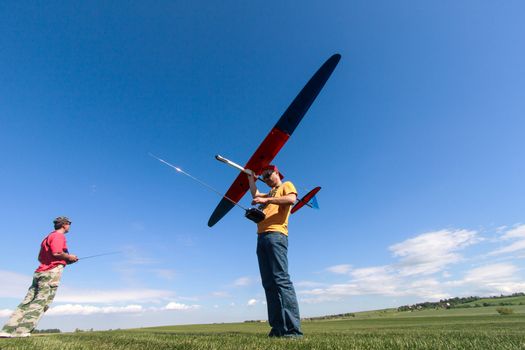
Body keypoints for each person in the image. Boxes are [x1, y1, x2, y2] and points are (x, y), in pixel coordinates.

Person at [247, 165, 303, 338]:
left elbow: (291, 200)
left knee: (281, 280)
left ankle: (293, 331)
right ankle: (278, 329)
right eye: (263, 176)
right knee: (268, 284)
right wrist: (250, 178)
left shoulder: (286, 185)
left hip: (276, 235)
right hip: (261, 237)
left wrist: (266, 201)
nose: (266, 178)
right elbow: (256, 195)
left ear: (276, 173)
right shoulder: (269, 193)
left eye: (268, 174)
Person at [0, 216, 78, 338]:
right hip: (51, 273)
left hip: (40, 272)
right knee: (42, 302)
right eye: (69, 224)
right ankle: (22, 331)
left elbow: (41, 258)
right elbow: (57, 253)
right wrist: (69, 257)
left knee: (27, 301)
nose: (70, 226)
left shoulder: (47, 237)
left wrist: (66, 260)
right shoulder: (59, 236)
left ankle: (7, 330)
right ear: (64, 224)